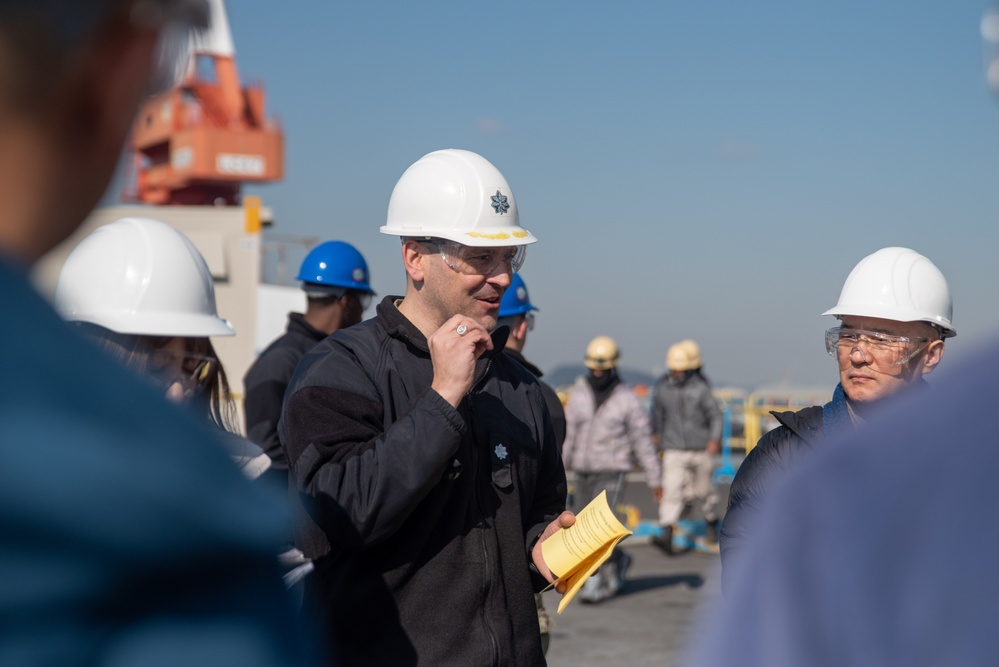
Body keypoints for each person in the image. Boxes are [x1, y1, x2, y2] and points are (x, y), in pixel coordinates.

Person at [0, 2, 316, 664]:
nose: (173, 391)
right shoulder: (184, 541)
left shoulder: (234, 485)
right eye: (142, 361)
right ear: (123, 67)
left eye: (187, 363)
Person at [278, 148, 571, 666]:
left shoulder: (522, 390)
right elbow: (338, 519)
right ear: (415, 257)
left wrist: (541, 546)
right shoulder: (340, 370)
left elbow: (532, 520)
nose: (502, 278)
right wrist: (441, 400)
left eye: (509, 258)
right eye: (481, 258)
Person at [719, 247, 954, 592]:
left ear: (930, 355)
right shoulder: (785, 453)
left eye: (881, 338)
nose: (858, 354)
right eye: (848, 335)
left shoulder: (967, 460)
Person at [55, 216, 271, 478]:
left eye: (192, 368)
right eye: (155, 370)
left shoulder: (236, 473)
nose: (179, 393)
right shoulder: (30, 477)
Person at [244, 240, 375, 479]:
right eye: (363, 301)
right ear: (347, 301)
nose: (363, 311)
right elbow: (265, 450)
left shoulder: (329, 355)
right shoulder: (280, 361)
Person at [561, 335, 663, 602]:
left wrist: (655, 478)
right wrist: (558, 471)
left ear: (612, 367)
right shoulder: (579, 396)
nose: (597, 373)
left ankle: (594, 583)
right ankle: (618, 560)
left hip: (612, 471)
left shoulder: (627, 400)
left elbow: (642, 440)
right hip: (583, 471)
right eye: (593, 368)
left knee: (599, 529)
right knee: (581, 529)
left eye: (602, 369)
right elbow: (569, 435)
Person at [496, 271, 565, 654]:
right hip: (522, 572)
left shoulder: (447, 381)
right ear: (521, 325)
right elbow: (548, 497)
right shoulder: (541, 395)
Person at [650, 339, 724, 555]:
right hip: (674, 449)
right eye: (674, 370)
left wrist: (713, 439)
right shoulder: (662, 389)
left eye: (680, 370)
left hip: (700, 449)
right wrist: (657, 436)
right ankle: (666, 531)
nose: (677, 374)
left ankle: (711, 519)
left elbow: (715, 415)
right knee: (671, 490)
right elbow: (657, 416)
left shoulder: (701, 389)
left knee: (704, 490)